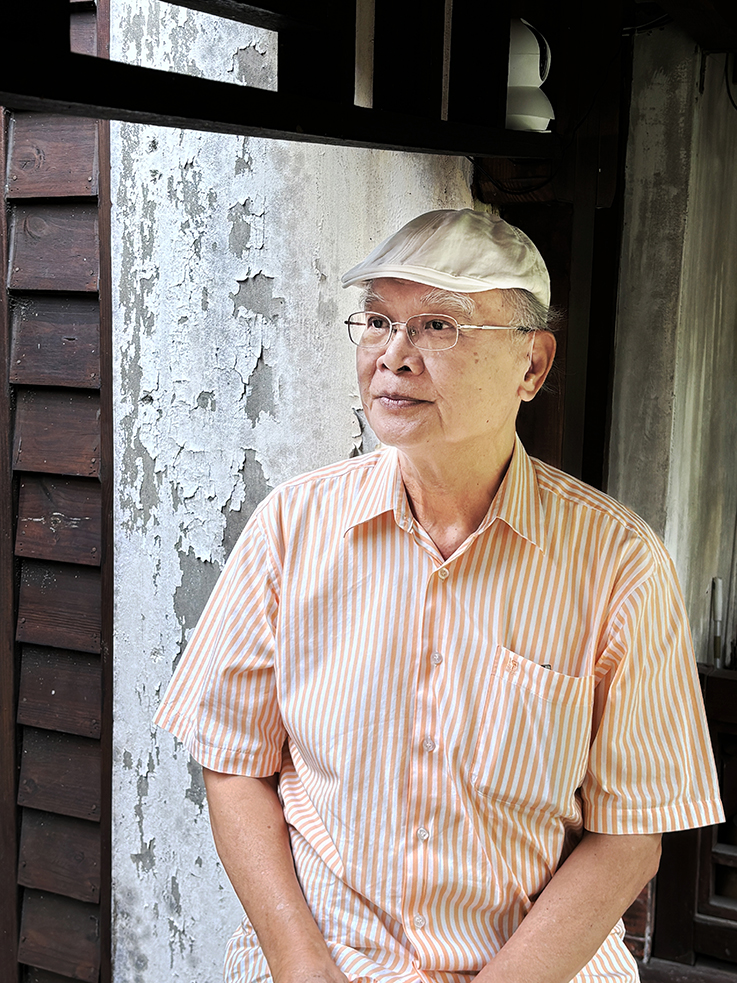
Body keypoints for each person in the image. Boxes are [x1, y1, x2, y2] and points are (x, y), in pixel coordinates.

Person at [154, 208, 723, 983]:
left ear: (531, 364)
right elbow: (232, 762)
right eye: (377, 321)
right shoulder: (290, 527)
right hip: (329, 962)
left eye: (437, 326)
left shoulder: (618, 562)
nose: (393, 356)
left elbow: (629, 832)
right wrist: (299, 963)